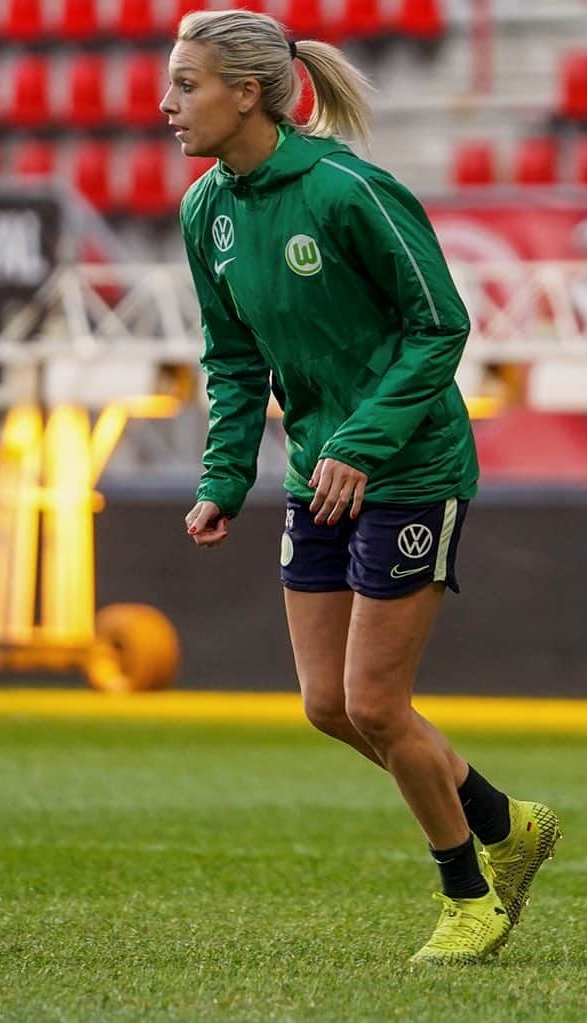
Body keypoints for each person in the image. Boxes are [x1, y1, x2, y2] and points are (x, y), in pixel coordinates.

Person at [164, 8, 561, 964]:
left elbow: (439, 326)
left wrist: (362, 443)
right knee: (326, 704)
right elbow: (230, 357)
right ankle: (508, 822)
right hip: (318, 473)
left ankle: (471, 893)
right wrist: (224, 473)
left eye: (186, 84)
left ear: (246, 94)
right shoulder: (205, 210)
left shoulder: (351, 191)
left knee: (377, 702)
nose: (166, 103)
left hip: (412, 468)